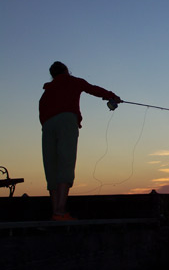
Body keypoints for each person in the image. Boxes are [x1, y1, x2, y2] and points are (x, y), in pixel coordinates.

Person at [39, 61, 121, 221]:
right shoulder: (74, 81)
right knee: (66, 163)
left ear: (52, 74)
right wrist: (112, 96)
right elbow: (94, 90)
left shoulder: (46, 92)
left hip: (47, 126)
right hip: (66, 121)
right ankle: (61, 210)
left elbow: (41, 114)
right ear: (66, 71)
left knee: (51, 167)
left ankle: (56, 211)